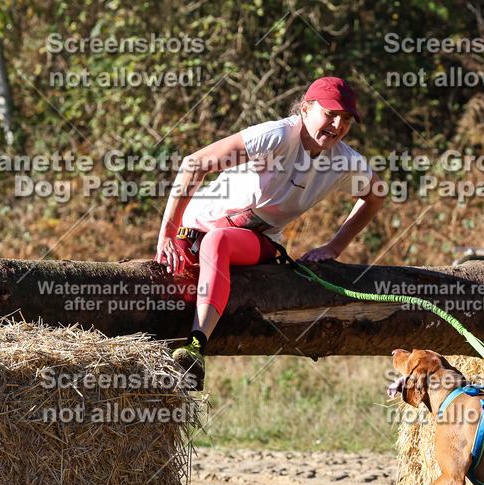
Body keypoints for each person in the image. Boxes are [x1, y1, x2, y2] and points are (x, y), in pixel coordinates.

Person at [154, 76, 384, 387]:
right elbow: (195, 164)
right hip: (192, 226)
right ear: (304, 109)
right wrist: (168, 233)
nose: (338, 125)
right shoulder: (275, 136)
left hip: (250, 241)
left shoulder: (344, 162)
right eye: (330, 114)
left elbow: (376, 195)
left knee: (217, 242)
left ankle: (196, 348)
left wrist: (334, 248)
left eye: (345, 119)